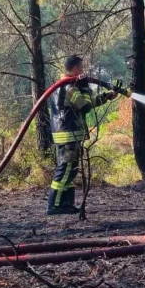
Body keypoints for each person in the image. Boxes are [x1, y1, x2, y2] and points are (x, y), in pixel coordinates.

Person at [46, 56, 122, 215]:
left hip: (67, 134)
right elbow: (85, 106)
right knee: (66, 170)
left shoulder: (67, 86)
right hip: (68, 135)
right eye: (81, 67)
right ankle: (55, 205)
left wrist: (107, 96)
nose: (84, 71)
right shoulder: (70, 88)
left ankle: (65, 204)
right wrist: (86, 88)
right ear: (75, 69)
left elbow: (87, 103)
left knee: (70, 170)